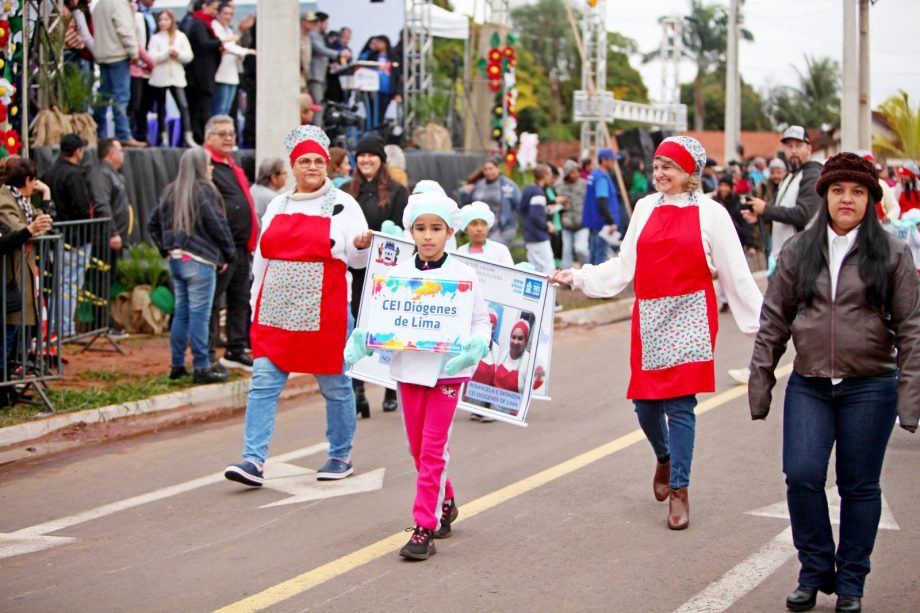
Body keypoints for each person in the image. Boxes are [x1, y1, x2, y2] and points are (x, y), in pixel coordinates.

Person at [551, 136, 763, 531]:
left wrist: (763, 324)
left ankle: (680, 490)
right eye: (657, 166)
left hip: (692, 314)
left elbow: (735, 272)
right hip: (649, 314)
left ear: (689, 173)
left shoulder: (712, 213)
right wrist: (578, 277)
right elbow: (623, 266)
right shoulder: (646, 208)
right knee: (645, 405)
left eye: (669, 166)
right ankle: (664, 457)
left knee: (680, 407)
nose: (660, 174)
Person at [748, 153, 920, 613]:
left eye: (858, 191)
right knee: (801, 475)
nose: (848, 199)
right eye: (839, 190)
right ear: (824, 195)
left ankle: (852, 583)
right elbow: (773, 321)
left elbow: (911, 329)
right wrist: (760, 380)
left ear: (870, 200)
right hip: (810, 384)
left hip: (871, 385)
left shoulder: (893, 253)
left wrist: (909, 396)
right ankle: (814, 570)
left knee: (858, 486)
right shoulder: (798, 251)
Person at [343, 190, 490, 560]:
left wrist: (477, 345)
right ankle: (447, 498)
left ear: (448, 232)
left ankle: (423, 527)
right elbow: (382, 320)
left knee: (433, 450)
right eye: (420, 228)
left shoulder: (464, 275)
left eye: (435, 228)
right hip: (409, 371)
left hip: (447, 373)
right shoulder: (397, 275)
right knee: (418, 449)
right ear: (410, 231)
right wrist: (365, 339)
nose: (428, 236)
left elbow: (479, 320)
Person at [223, 124, 371, 486]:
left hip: (327, 313)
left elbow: (357, 261)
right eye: (304, 161)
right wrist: (255, 305)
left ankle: (340, 455)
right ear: (293, 166)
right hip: (275, 312)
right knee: (263, 384)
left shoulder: (344, 204)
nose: (312, 167)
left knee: (335, 387)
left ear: (327, 166)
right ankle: (252, 460)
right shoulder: (278, 204)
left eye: (318, 161)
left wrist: (363, 245)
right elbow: (262, 260)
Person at [730, 126, 823, 384]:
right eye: (788, 146)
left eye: (797, 145)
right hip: (784, 259)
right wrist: (760, 213)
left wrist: (766, 208)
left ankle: (759, 369)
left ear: (808, 147)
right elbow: (783, 216)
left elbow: (803, 214)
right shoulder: (791, 177)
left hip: (802, 260)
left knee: (783, 318)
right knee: (778, 318)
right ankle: (758, 368)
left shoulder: (812, 175)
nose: (792, 150)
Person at [148, 148, 236, 384]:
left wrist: (165, 247)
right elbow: (217, 224)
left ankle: (177, 365)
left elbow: (152, 223)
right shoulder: (204, 190)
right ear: (199, 166)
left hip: (177, 260)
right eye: (208, 164)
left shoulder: (170, 190)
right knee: (199, 315)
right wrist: (228, 254)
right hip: (200, 261)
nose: (211, 167)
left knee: (182, 314)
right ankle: (201, 366)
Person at [342, 135, 408, 415]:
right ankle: (357, 389)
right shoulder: (347, 191)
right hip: (358, 270)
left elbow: (405, 232)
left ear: (381, 160)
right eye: (361, 155)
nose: (366, 160)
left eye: (372, 155)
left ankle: (390, 386)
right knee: (359, 326)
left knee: (389, 328)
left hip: (388, 272)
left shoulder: (397, 191)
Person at [202, 115, 259, 372]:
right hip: (219, 248)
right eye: (222, 133)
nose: (228, 138)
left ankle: (236, 348)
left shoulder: (232, 165)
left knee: (239, 299)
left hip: (241, 248)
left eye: (231, 133)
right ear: (208, 137)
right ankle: (208, 353)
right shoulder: (205, 165)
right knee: (213, 302)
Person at [0, 158, 54, 395]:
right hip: (10, 275)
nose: (36, 185)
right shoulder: (6, 200)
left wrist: (47, 195)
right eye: (34, 181)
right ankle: (4, 388)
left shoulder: (21, 201)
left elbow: (46, 224)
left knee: (14, 334)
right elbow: (18, 231)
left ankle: (8, 385)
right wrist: (30, 231)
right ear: (26, 180)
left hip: (20, 274)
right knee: (7, 335)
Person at [43, 134, 95, 339]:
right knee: (70, 284)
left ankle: (58, 326)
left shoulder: (49, 173)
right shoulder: (75, 175)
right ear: (77, 151)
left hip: (56, 235)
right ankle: (65, 329)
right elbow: (82, 207)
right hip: (75, 237)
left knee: (59, 283)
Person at [91, 0, 146, 147]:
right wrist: (134, 52)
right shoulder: (118, 4)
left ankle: (96, 133)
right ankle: (123, 135)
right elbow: (125, 30)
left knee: (102, 98)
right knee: (120, 97)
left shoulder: (100, 4)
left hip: (103, 55)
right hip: (117, 55)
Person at [147, 8, 196, 147]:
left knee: (183, 106)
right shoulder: (155, 38)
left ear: (172, 20)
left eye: (166, 19)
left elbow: (189, 56)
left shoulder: (180, 36)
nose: (163, 22)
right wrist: (166, 53)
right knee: (161, 108)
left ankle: (188, 136)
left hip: (177, 77)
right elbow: (152, 57)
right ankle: (164, 137)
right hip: (159, 78)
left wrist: (177, 54)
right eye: (161, 19)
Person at [184, 0, 222, 144]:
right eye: (214, 8)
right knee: (200, 107)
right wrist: (221, 42)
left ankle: (201, 136)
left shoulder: (204, 24)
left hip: (204, 74)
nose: (215, 12)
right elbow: (204, 43)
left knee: (202, 106)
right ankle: (201, 137)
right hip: (200, 75)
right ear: (205, 6)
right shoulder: (199, 24)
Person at [459, 157, 520, 245]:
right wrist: (464, 192)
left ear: (498, 169)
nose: (488, 171)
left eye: (491, 168)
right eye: (485, 169)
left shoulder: (508, 185)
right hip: (481, 228)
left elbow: (519, 204)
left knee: (494, 252)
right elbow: (467, 203)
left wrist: (511, 222)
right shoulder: (479, 184)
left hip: (502, 229)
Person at [89, 138, 132, 256]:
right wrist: (112, 233)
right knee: (104, 273)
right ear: (111, 153)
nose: (123, 154)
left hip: (116, 239)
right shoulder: (101, 174)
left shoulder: (111, 173)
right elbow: (101, 204)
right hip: (106, 240)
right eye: (121, 151)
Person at [212, 1, 255, 117]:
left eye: (231, 14)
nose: (228, 17)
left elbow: (233, 45)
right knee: (220, 108)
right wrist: (246, 51)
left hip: (232, 72)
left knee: (227, 108)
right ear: (218, 13)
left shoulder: (229, 30)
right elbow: (227, 45)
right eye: (226, 13)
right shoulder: (214, 26)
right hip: (221, 73)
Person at [307, 12, 349, 127]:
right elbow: (320, 50)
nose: (327, 26)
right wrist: (338, 55)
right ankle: (316, 132)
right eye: (326, 22)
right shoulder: (313, 35)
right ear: (319, 22)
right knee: (317, 105)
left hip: (321, 75)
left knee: (321, 105)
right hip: (315, 75)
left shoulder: (320, 36)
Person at [583, 148, 622, 265]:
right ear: (604, 160)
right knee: (600, 257)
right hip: (602, 224)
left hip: (594, 223)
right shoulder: (602, 177)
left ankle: (587, 282)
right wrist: (611, 222)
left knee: (593, 254)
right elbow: (602, 201)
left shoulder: (594, 174)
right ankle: (595, 283)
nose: (614, 163)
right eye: (612, 160)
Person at [127, 0, 157, 145]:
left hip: (146, 68)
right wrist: (149, 62)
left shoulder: (153, 16)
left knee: (144, 104)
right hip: (136, 65)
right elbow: (135, 42)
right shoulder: (133, 13)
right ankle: (131, 134)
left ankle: (141, 134)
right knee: (133, 103)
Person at [492, 319, 545, 393]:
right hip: (493, 403)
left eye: (520, 338)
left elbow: (536, 388)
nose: (516, 342)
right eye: (513, 337)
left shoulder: (529, 360)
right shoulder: (505, 353)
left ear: (525, 341)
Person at [456, 202, 514, 266]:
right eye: (474, 224)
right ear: (465, 228)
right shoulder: (461, 251)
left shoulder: (501, 250)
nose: (479, 229)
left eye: (484, 224)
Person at [521, 164, 555, 274]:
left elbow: (523, 209)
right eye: (550, 174)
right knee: (548, 267)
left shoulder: (529, 189)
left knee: (534, 268)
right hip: (538, 236)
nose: (551, 176)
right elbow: (535, 215)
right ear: (544, 175)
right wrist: (547, 226)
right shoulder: (538, 192)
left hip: (529, 234)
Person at [555, 159, 589, 269]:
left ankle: (586, 271)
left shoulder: (584, 184)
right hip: (566, 224)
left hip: (582, 223)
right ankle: (567, 280)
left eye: (577, 171)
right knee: (566, 252)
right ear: (567, 173)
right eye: (573, 172)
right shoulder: (558, 185)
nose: (576, 174)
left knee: (581, 249)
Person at [250, 158, 288, 222]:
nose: (287, 176)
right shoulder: (274, 198)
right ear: (274, 178)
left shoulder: (253, 188)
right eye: (284, 173)